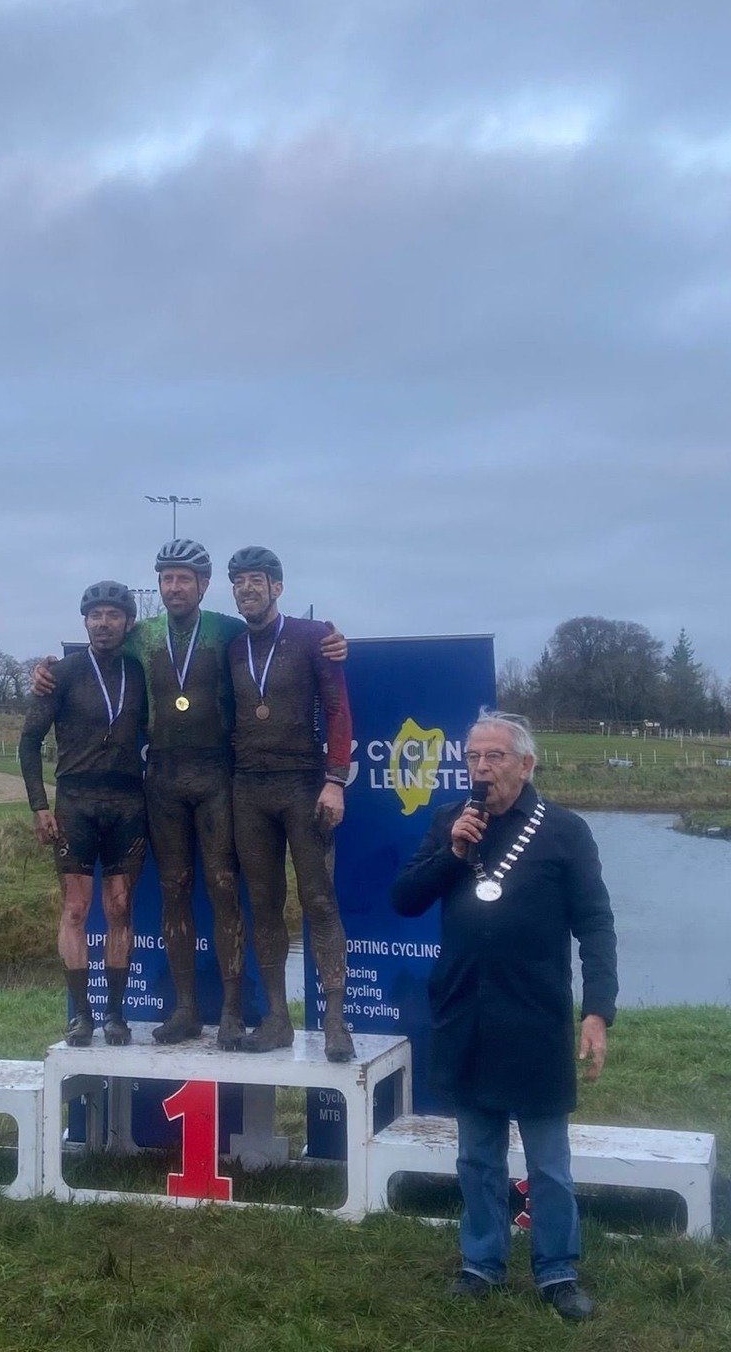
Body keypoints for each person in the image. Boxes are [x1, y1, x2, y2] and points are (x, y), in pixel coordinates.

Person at [34, 540, 345, 1047]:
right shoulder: (141, 635)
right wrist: (46, 668)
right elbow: (100, 650)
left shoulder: (227, 629)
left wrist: (333, 642)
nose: (175, 587)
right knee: (175, 890)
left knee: (226, 888)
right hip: (163, 777)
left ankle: (229, 1011)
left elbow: (281, 639)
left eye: (185, 578)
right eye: (166, 579)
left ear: (203, 585)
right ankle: (184, 1010)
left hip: (218, 773)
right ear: (157, 585)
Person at [391, 710, 616, 1321]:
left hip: (536, 1013)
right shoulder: (450, 823)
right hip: (466, 1009)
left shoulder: (565, 831)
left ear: (526, 764)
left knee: (548, 1159)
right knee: (476, 1154)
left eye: (494, 757)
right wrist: (453, 853)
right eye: (472, 757)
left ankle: (557, 1270)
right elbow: (405, 899)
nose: (481, 768)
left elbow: (595, 922)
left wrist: (597, 1010)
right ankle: (482, 1262)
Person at [225, 547, 355, 1061]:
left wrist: (335, 779)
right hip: (248, 788)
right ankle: (277, 1019)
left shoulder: (313, 636)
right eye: (238, 582)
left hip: (304, 784)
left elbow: (339, 708)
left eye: (256, 580)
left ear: (278, 587)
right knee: (263, 904)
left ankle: (335, 1022)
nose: (247, 589)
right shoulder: (232, 647)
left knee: (319, 900)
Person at [18, 581, 147, 1047]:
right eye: (95, 615)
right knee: (75, 909)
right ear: (85, 622)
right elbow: (28, 741)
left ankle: (115, 1013)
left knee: (119, 907)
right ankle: (82, 1016)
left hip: (129, 803)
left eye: (114, 615)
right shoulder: (61, 674)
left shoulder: (142, 671)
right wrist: (38, 805)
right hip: (75, 803)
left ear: (128, 622)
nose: (104, 623)